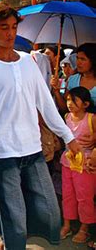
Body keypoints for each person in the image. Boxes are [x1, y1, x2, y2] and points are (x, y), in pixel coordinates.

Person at [0, 1, 81, 249]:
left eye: (13, 27)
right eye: (3, 28)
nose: (10, 33)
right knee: (12, 211)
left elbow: (46, 104)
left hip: (32, 148)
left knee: (47, 206)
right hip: (0, 151)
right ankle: (12, 243)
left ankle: (12, 240)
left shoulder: (29, 62)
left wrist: (68, 137)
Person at [59, 87, 96, 244]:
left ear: (86, 104)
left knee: (85, 197)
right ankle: (67, 224)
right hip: (67, 162)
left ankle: (84, 228)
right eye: (68, 100)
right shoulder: (66, 117)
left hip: (86, 164)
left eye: (74, 100)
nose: (70, 103)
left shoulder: (91, 118)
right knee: (67, 194)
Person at [52, 43, 96, 111]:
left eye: (83, 59)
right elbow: (65, 108)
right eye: (77, 58)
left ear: (93, 61)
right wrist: (56, 91)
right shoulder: (73, 80)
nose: (78, 62)